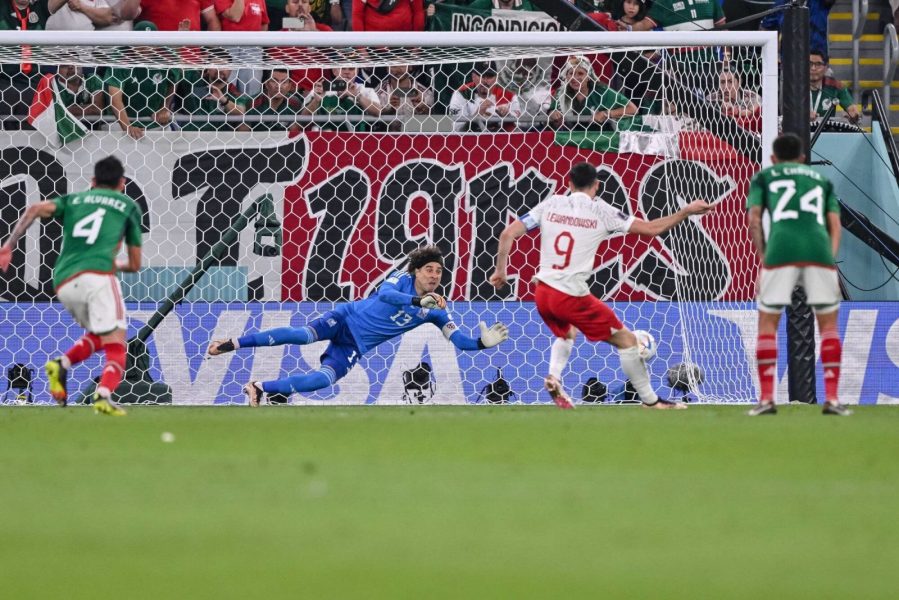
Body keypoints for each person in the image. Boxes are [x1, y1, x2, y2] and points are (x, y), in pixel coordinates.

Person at [489, 162, 713, 409]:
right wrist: (686, 211)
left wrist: (501, 271)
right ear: (596, 185)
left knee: (567, 332)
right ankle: (652, 401)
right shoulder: (601, 210)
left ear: (569, 183)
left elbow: (507, 234)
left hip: (542, 293)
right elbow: (651, 229)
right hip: (570, 295)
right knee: (627, 341)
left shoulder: (550, 203)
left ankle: (554, 376)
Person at [208, 245, 510, 406]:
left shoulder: (436, 312)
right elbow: (387, 296)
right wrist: (419, 302)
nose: (434, 276)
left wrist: (482, 343)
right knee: (303, 335)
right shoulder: (401, 281)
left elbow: (460, 342)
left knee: (324, 380)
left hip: (355, 345)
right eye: (428, 269)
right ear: (416, 271)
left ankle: (259, 388)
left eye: (439, 272)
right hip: (345, 317)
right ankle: (233, 343)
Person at [0, 156, 143, 417]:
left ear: (92, 182)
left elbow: (32, 209)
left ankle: (61, 364)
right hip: (98, 276)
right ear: (122, 183)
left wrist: (8, 246)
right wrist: (113, 263)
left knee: (100, 335)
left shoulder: (75, 200)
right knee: (118, 342)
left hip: (64, 281)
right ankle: (103, 395)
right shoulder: (128, 206)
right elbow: (134, 264)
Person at [745, 133, 850, 416]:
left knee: (768, 325)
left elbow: (754, 222)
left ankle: (767, 400)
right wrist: (829, 259)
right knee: (828, 328)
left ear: (773, 159)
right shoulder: (822, 181)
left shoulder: (765, 177)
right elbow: (835, 226)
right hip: (819, 254)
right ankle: (832, 400)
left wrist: (764, 261)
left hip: (780, 253)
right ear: (803, 158)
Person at [547, 55, 639, 131]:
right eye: (571, 73)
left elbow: (633, 109)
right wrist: (552, 114)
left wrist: (606, 114)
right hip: (571, 141)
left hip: (600, 141)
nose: (575, 78)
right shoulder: (561, 93)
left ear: (589, 76)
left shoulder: (601, 91)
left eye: (580, 73)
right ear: (566, 76)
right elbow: (553, 114)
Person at [448, 61, 521, 133]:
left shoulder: (508, 94)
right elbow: (457, 130)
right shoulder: (461, 94)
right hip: (471, 141)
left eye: (490, 76)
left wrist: (508, 117)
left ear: (496, 77)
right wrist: (477, 116)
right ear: (473, 76)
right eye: (482, 75)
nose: (485, 81)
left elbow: (519, 128)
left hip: (502, 141)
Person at [808, 50, 860, 124]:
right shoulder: (793, 87)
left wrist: (853, 114)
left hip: (826, 132)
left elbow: (852, 109)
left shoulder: (835, 85)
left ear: (826, 67)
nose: (813, 68)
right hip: (797, 132)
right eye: (809, 63)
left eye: (818, 64)